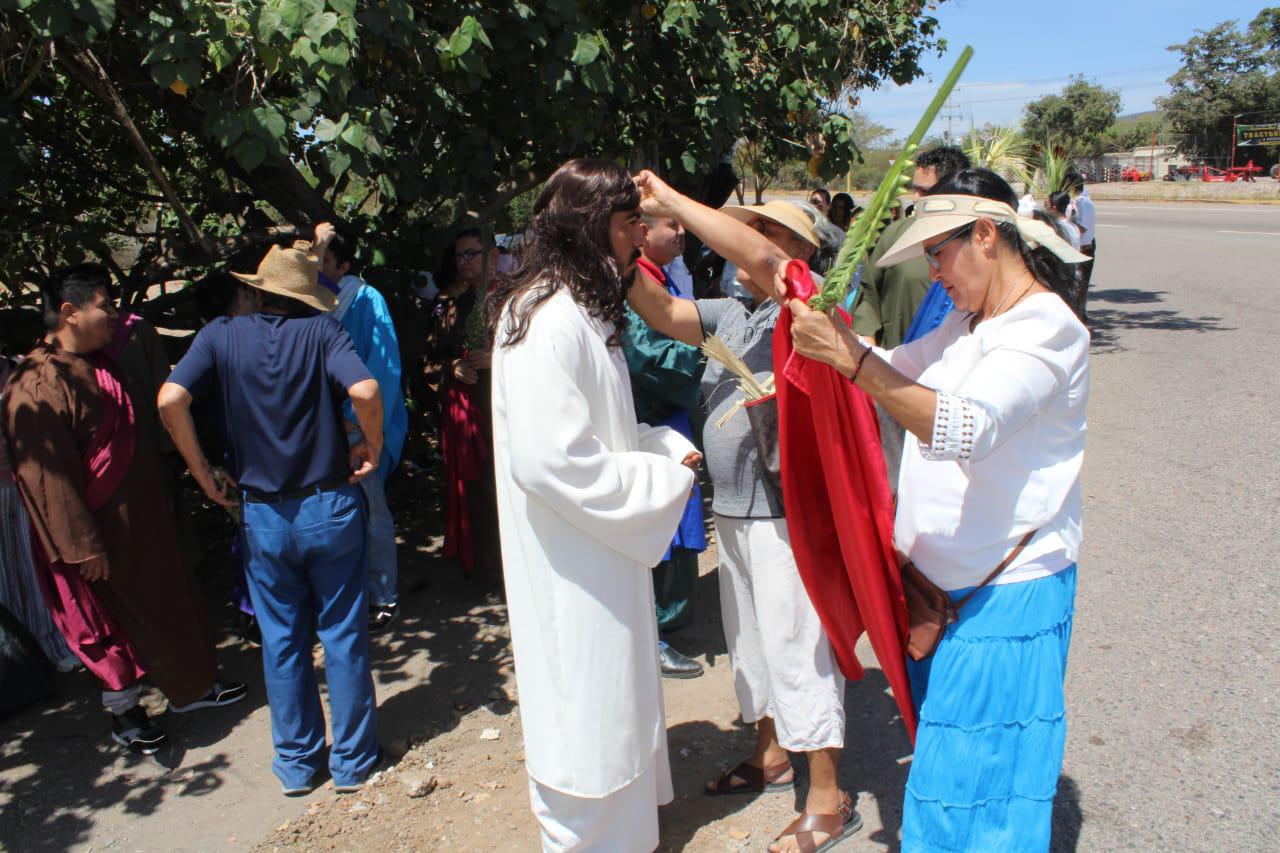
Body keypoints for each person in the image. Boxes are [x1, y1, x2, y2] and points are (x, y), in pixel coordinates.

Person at [788, 167, 1089, 853]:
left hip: (1005, 601)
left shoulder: (1046, 329)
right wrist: (823, 329)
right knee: (957, 783)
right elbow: (892, 363)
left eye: (938, 252)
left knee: (971, 794)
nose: (933, 271)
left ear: (987, 235)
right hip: (940, 597)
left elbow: (965, 428)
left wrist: (850, 360)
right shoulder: (965, 320)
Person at [627, 185, 860, 853]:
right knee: (751, 643)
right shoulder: (734, 312)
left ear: (793, 250)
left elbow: (758, 257)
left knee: (797, 646)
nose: (744, 241)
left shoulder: (807, 300)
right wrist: (615, 253)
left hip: (786, 513)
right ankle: (771, 753)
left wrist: (668, 196)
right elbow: (664, 309)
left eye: (761, 231)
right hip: (732, 506)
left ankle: (826, 793)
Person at [484, 159, 701, 851]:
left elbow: (593, 430)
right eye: (630, 221)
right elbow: (551, 461)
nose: (642, 235)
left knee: (615, 712)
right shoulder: (547, 316)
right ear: (590, 225)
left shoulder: (582, 304)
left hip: (602, 553)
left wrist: (658, 444)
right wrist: (659, 477)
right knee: (587, 728)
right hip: (573, 565)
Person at [158, 243, 385, 796]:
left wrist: (203, 472)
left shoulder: (219, 335)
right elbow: (366, 389)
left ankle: (298, 764)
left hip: (261, 513)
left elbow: (169, 399)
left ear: (256, 290)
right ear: (307, 295)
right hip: (329, 505)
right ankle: (353, 763)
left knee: (282, 640)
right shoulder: (324, 334)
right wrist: (370, 446)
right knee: (342, 634)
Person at [3, 266, 245, 755]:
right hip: (96, 537)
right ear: (69, 313)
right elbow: (47, 479)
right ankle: (128, 716)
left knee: (170, 599)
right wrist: (80, 546)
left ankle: (190, 689)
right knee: (106, 626)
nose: (115, 314)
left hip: (144, 519)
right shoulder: (35, 385)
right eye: (104, 305)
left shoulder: (100, 363)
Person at [623, 214, 708, 680]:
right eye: (669, 225)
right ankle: (652, 627)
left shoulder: (668, 275)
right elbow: (646, 355)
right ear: (641, 232)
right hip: (651, 415)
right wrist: (707, 354)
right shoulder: (637, 285)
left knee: (677, 515)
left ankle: (666, 620)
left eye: (682, 225)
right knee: (661, 521)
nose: (681, 233)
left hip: (670, 411)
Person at [313, 224, 408, 631]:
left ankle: (383, 596)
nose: (317, 269)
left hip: (358, 426)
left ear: (345, 265)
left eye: (325, 261)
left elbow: (384, 368)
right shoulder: (312, 303)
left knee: (372, 511)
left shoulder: (366, 299)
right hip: (323, 427)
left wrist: (359, 420)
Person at [423, 228, 503, 589]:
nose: (464, 263)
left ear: (493, 255)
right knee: (480, 493)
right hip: (474, 414)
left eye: (471, 254)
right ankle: (487, 571)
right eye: (459, 256)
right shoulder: (449, 306)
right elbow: (430, 362)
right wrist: (453, 366)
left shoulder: (516, 299)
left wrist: (500, 358)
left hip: (514, 410)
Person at [1066, 172, 1096, 320]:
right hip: (1077, 246)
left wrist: (1066, 223)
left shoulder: (1083, 202)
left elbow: (1081, 228)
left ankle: (1080, 315)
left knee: (1081, 284)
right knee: (1075, 284)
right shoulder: (1076, 201)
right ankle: (1078, 314)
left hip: (1084, 247)